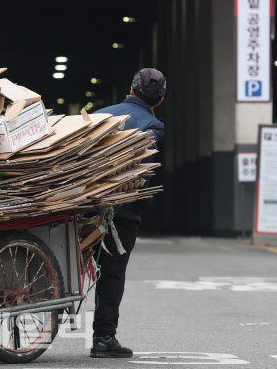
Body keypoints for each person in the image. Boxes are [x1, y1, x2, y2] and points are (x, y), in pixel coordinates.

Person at [89, 68, 166, 358]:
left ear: (131, 89)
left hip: (80, 207)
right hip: (121, 213)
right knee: (112, 274)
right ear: (159, 100)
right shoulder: (152, 124)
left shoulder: (100, 115)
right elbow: (143, 173)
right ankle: (103, 338)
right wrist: (140, 204)